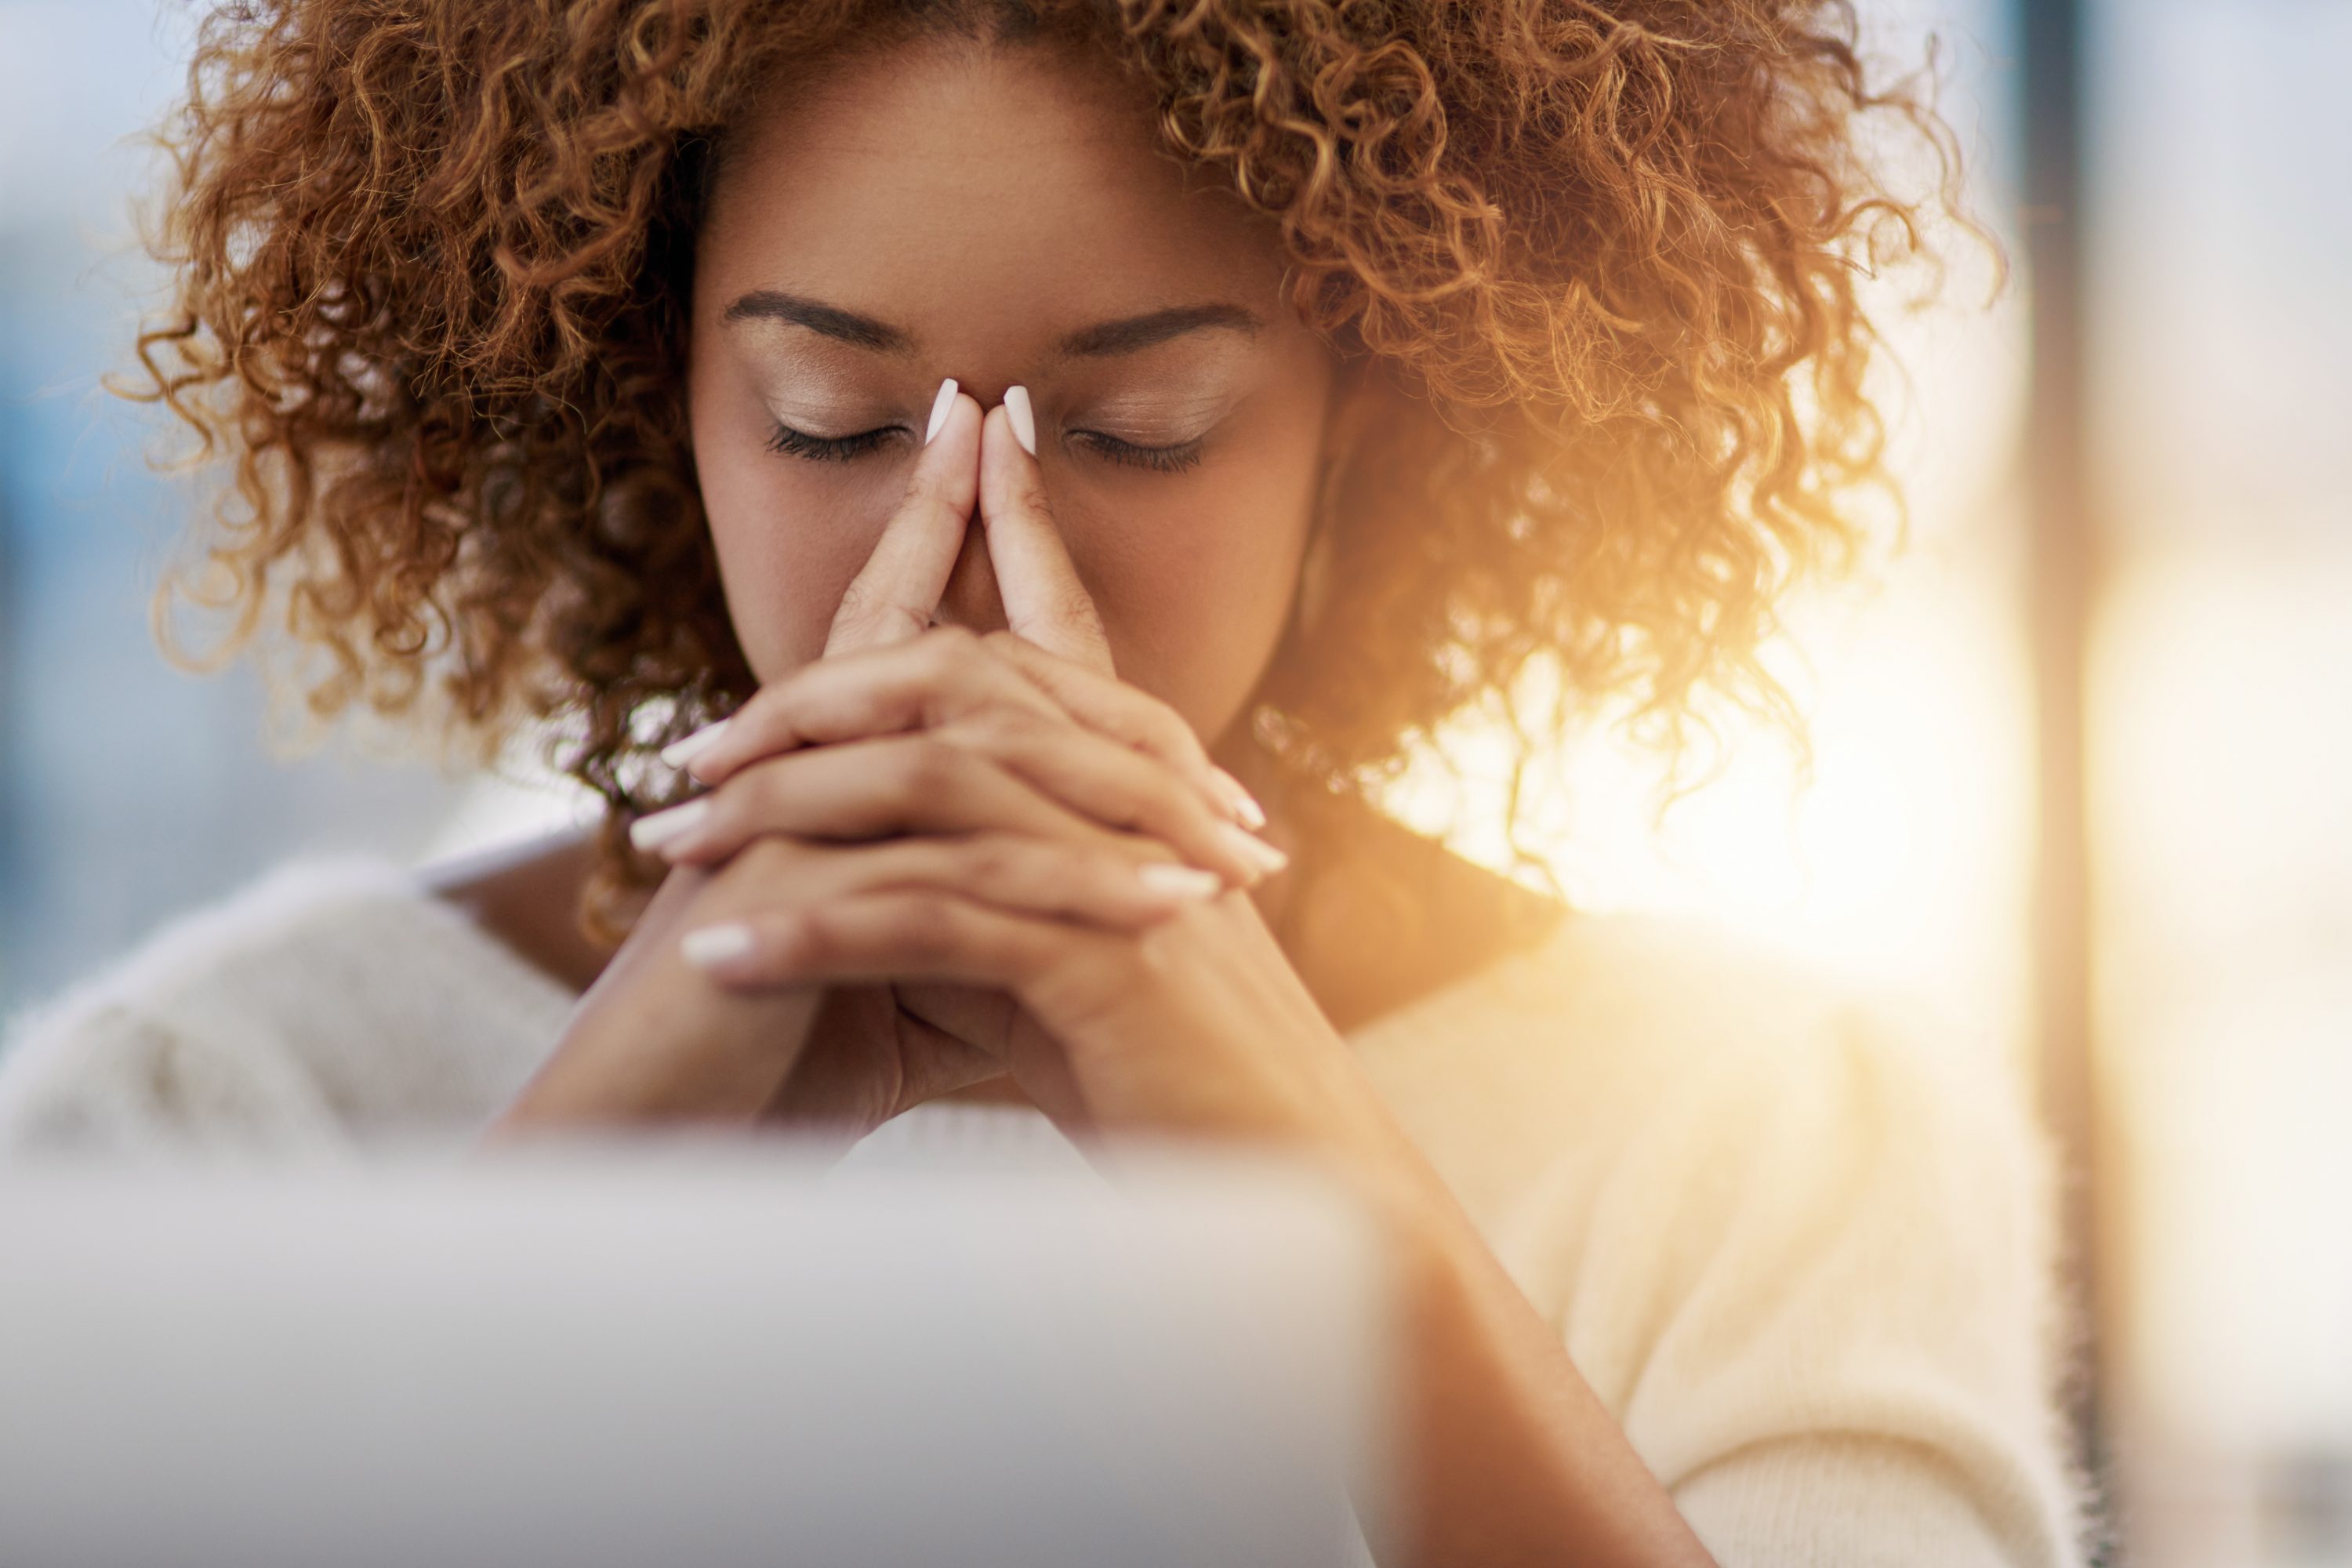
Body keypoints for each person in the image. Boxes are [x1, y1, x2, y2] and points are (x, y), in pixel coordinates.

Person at [0, 1, 2091, 1563]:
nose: (988, 563)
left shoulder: (1770, 1140)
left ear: (1358, 418)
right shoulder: (219, 1111)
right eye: (833, 425)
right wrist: (601, 1170)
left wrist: (1300, 1163)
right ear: (663, 400)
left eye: (1145, 430)